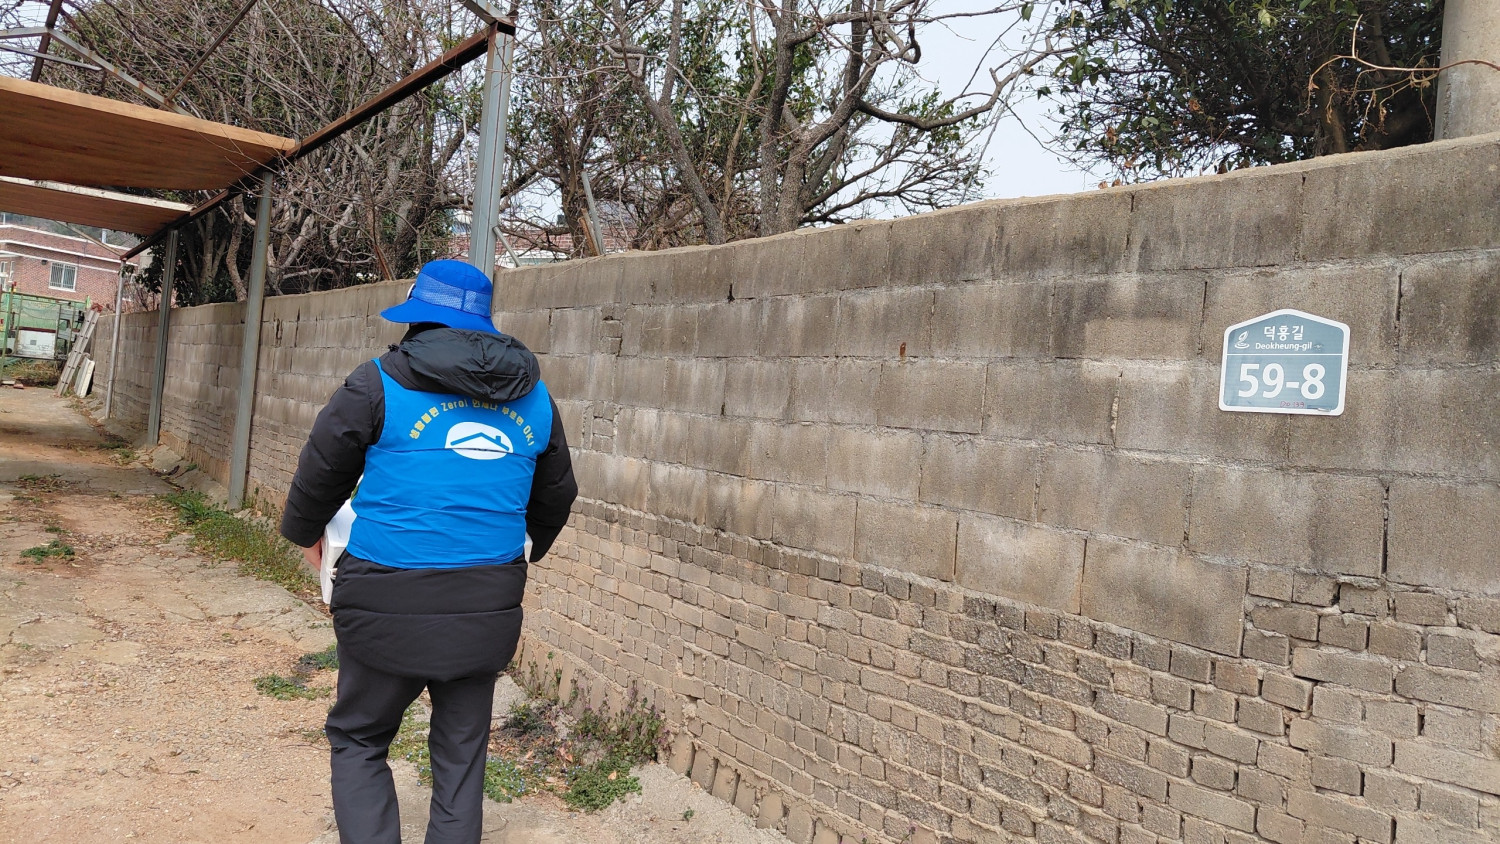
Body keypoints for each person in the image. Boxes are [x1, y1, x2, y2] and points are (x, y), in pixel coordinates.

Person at [279, 259, 577, 844]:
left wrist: (308, 536)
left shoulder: (376, 383)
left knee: (360, 737)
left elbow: (319, 473)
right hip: (486, 605)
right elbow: (557, 496)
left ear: (418, 319)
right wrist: (521, 553)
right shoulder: (536, 399)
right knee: (462, 756)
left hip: (384, 597)